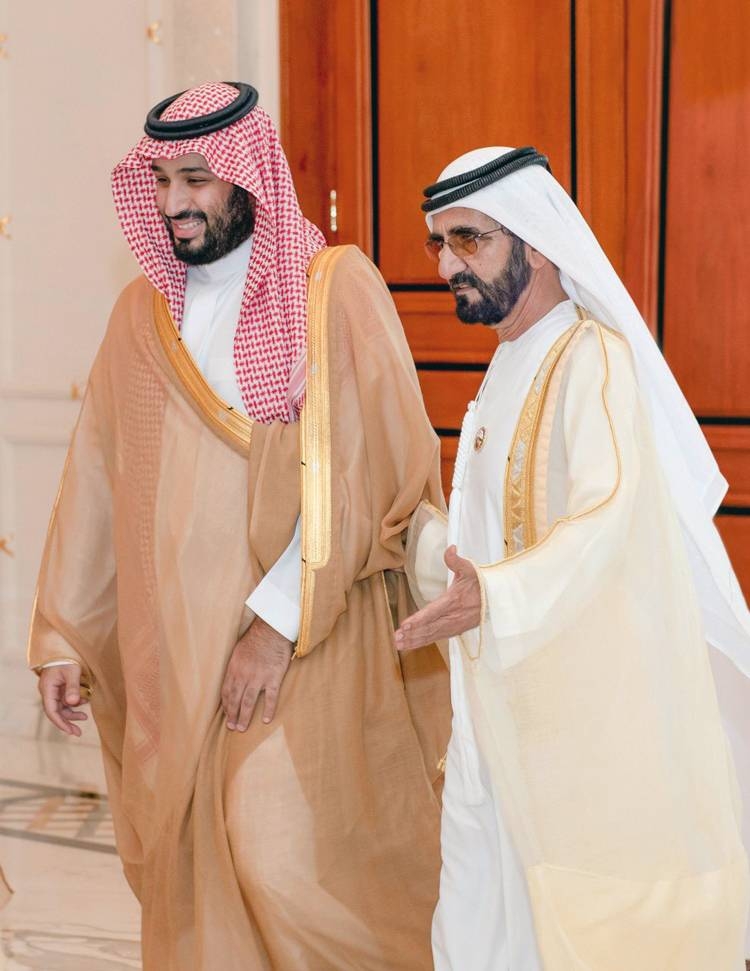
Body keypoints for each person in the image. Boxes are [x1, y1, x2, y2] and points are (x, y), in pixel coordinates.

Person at [28, 81, 450, 970]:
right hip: (175, 656)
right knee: (196, 869)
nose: (176, 202)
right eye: (163, 181)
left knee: (280, 856)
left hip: (305, 637)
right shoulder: (139, 315)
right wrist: (65, 632)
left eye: (196, 178)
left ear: (244, 176)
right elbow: (96, 477)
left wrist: (275, 621)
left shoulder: (334, 290)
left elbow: (369, 475)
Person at [395, 146, 750, 971]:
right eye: (439, 244)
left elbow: (607, 512)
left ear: (538, 242)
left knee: (575, 926)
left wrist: (497, 595)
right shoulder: (505, 366)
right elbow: (480, 540)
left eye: (470, 239)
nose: (449, 264)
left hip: (574, 711)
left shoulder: (591, 358)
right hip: (493, 700)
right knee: (482, 910)